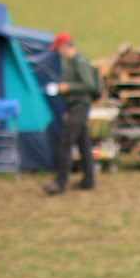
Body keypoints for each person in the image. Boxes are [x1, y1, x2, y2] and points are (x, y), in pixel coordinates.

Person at [43, 32, 102, 194]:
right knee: (83, 144)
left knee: (65, 142)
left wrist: (67, 87)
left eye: (58, 49)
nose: (58, 53)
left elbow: (88, 85)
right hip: (75, 106)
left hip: (79, 106)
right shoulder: (72, 63)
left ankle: (60, 183)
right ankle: (88, 181)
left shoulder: (79, 61)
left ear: (64, 47)